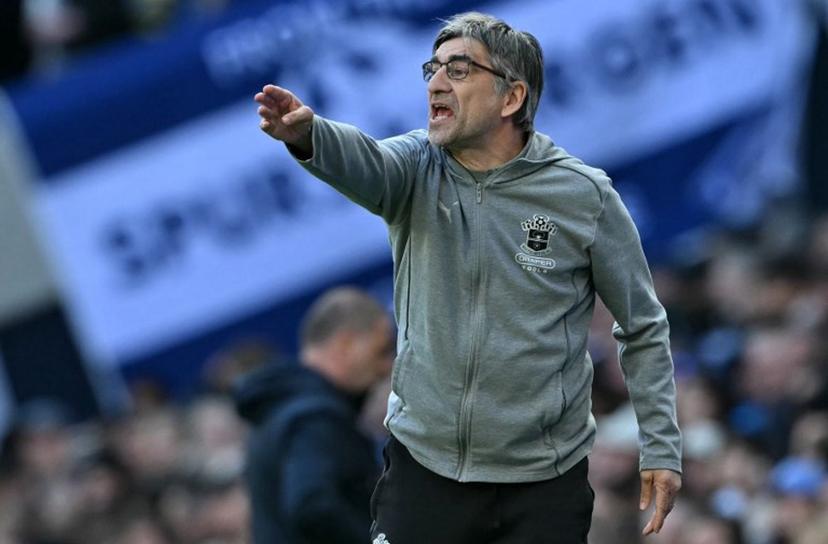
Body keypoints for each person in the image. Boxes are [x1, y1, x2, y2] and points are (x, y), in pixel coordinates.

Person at [254, 12, 682, 543]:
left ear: (511, 98)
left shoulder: (584, 197)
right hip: (425, 472)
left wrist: (660, 443)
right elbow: (362, 160)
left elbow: (642, 325)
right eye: (432, 68)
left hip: (543, 483)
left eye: (458, 70)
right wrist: (309, 136)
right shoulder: (414, 167)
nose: (436, 81)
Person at [234, 287, 394, 544]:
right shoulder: (313, 417)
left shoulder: (283, 409)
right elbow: (311, 505)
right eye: (381, 350)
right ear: (346, 344)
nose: (386, 366)